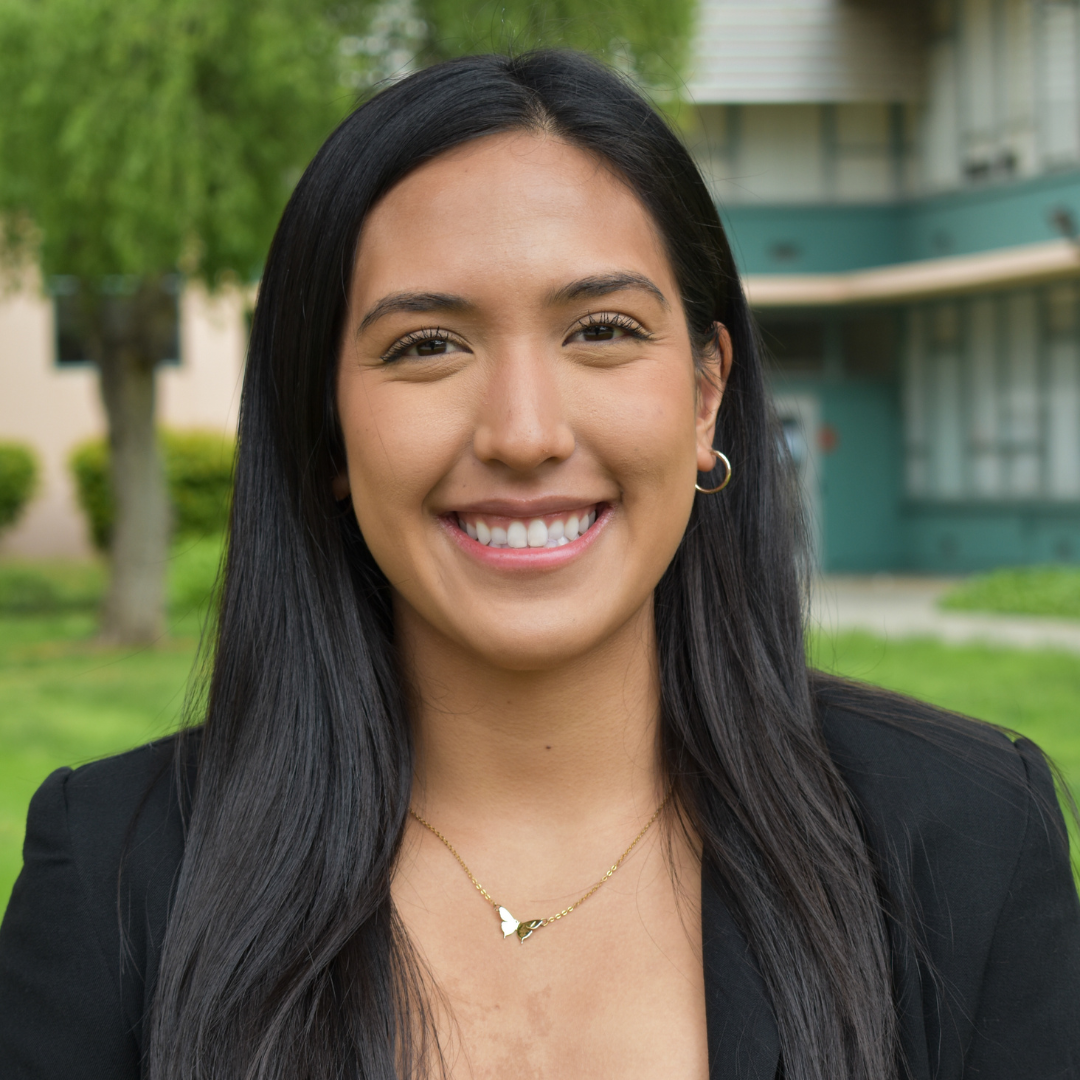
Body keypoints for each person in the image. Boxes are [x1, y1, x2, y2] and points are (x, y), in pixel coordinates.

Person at [1, 49, 1078, 1080]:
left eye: (601, 329)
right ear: (324, 426)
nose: (524, 433)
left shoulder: (967, 837)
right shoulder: (115, 872)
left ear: (705, 395)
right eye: (427, 345)